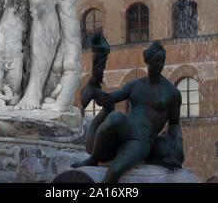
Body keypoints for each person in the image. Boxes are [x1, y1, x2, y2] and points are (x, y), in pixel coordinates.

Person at [73, 41, 184, 183]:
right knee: (114, 116)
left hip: (141, 140)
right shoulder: (135, 85)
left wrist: (177, 148)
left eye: (162, 61)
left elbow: (174, 124)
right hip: (126, 128)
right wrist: (95, 89)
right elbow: (110, 98)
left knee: (115, 170)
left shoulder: (172, 93)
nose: (161, 65)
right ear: (148, 61)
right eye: (157, 61)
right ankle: (93, 159)